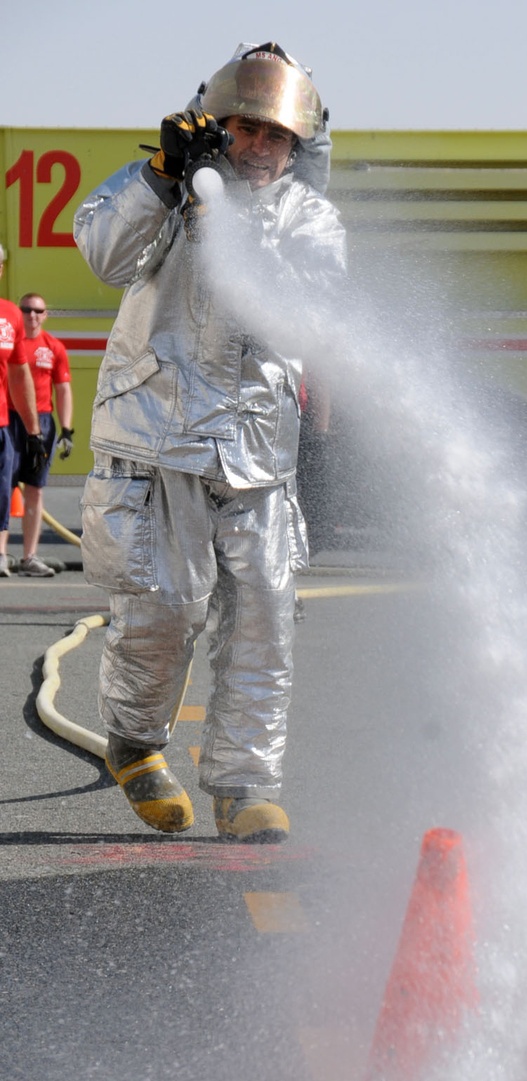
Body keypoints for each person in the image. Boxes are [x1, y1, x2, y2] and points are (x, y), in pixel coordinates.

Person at [73, 42, 346, 842]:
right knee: (159, 609)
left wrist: (225, 218)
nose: (258, 149)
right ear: (216, 125)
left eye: (276, 137)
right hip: (153, 445)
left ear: (297, 147)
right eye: (244, 130)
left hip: (257, 455)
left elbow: (295, 311)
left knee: (263, 620)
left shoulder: (313, 221)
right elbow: (103, 252)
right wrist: (162, 177)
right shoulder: (166, 188)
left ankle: (244, 782)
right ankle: (135, 741)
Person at [9, 293, 74, 577]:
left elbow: (63, 389)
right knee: (3, 487)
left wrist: (67, 429)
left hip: (43, 423)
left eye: (38, 311)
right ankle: (1, 554)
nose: (32, 316)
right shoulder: (10, 341)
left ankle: (29, 556)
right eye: (26, 310)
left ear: (46, 315)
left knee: (35, 489)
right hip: (10, 419)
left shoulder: (54, 348)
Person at [0, 244, 44, 578]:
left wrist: (33, 431)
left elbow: (19, 374)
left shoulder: (10, 315)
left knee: (3, 491)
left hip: (2, 423)